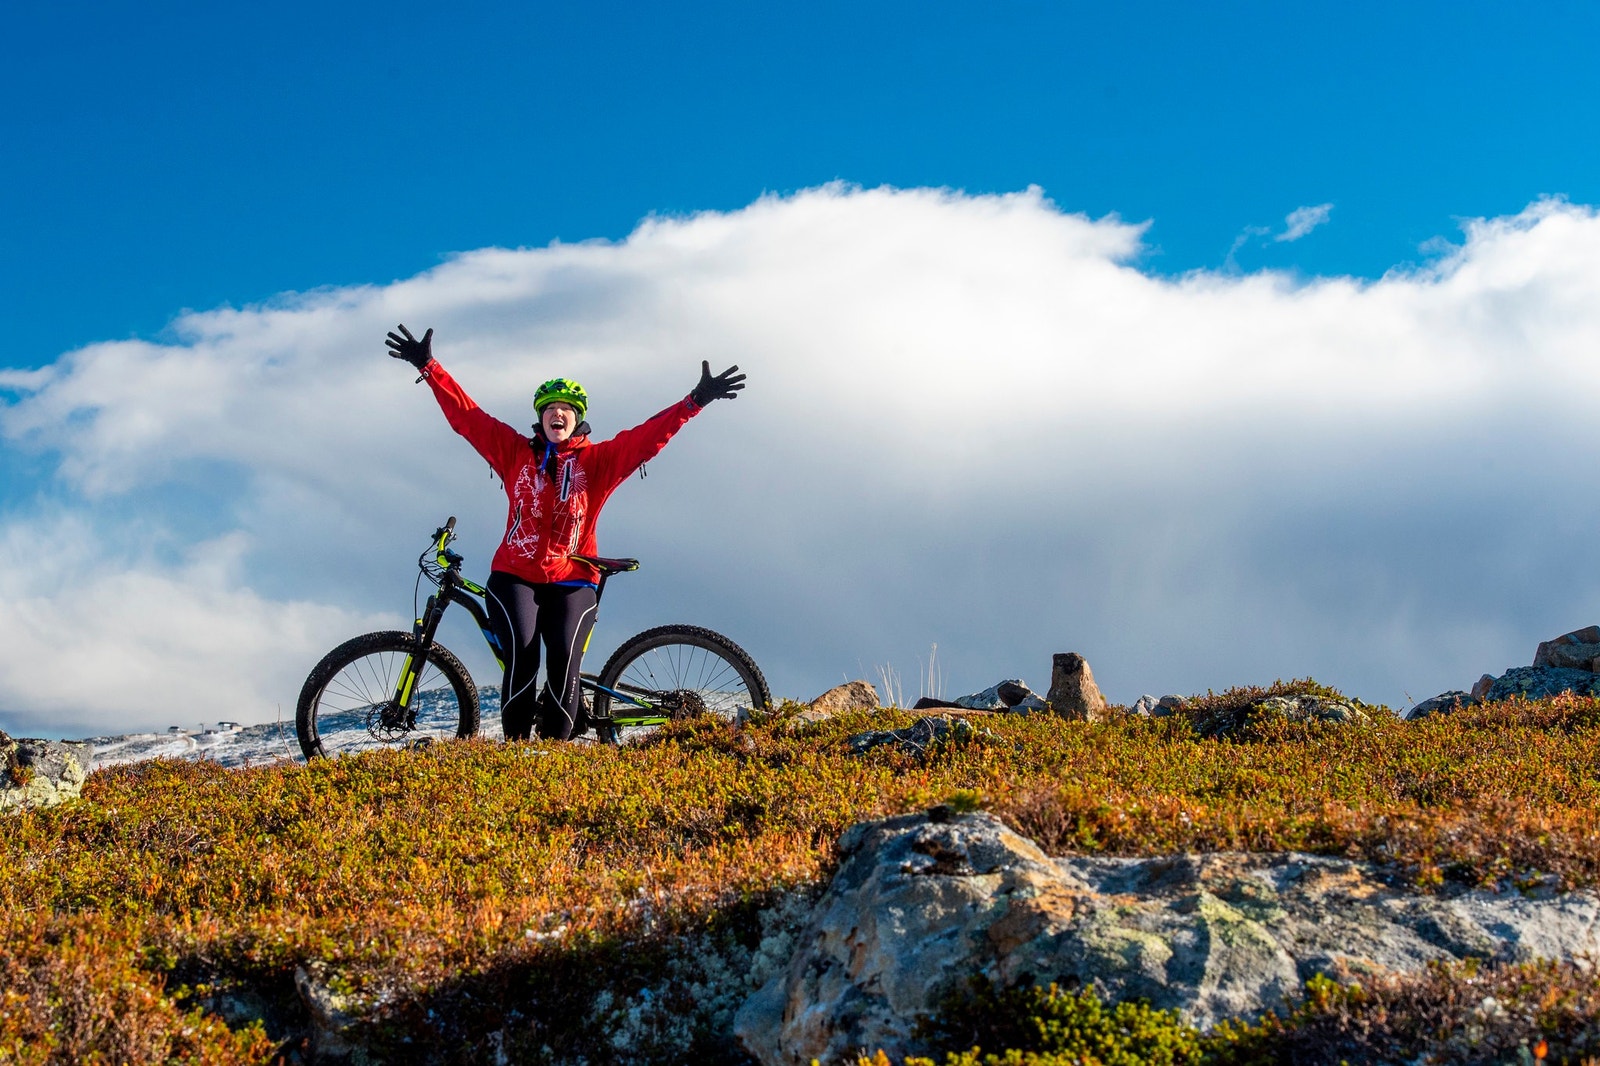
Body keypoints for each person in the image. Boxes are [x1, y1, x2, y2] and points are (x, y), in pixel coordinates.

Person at [385, 323, 746, 741]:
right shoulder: (514, 451)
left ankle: (558, 758)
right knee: (522, 657)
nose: (558, 413)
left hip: (574, 578)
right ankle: (517, 753)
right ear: (540, 418)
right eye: (549, 407)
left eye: (567, 409)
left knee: (562, 661)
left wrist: (695, 400)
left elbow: (647, 438)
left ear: (577, 419)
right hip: (514, 577)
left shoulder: (600, 461)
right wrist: (429, 366)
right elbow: (468, 418)